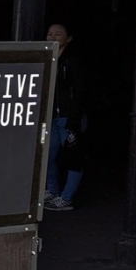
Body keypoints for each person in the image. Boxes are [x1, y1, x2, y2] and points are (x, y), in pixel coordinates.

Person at [45, 21, 87, 211]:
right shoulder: (46, 57)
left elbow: (80, 90)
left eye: (58, 34)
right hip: (51, 115)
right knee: (48, 155)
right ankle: (51, 191)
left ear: (68, 38)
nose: (53, 37)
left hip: (69, 116)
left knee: (73, 157)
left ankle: (66, 197)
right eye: (50, 34)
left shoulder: (73, 60)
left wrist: (74, 118)